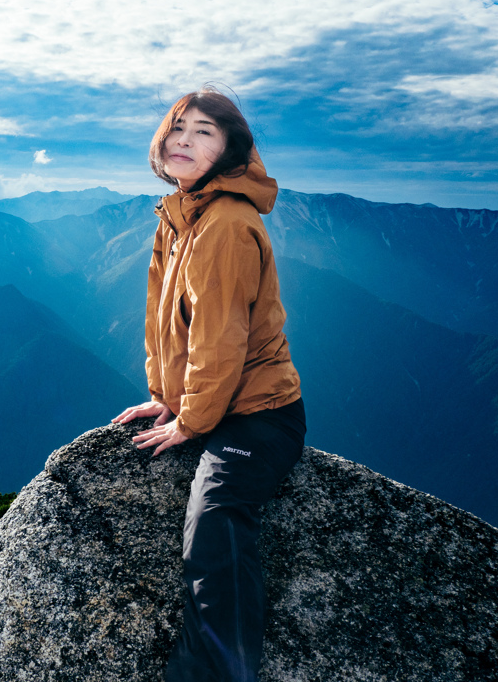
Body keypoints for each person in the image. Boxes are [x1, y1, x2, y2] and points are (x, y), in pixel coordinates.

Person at [113, 87, 305, 682]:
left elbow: (221, 338)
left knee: (215, 515)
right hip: (217, 402)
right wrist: (166, 399)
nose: (184, 141)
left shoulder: (224, 223)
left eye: (204, 133)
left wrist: (192, 421)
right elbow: (163, 320)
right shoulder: (180, 213)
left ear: (227, 154)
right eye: (177, 128)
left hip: (260, 412)